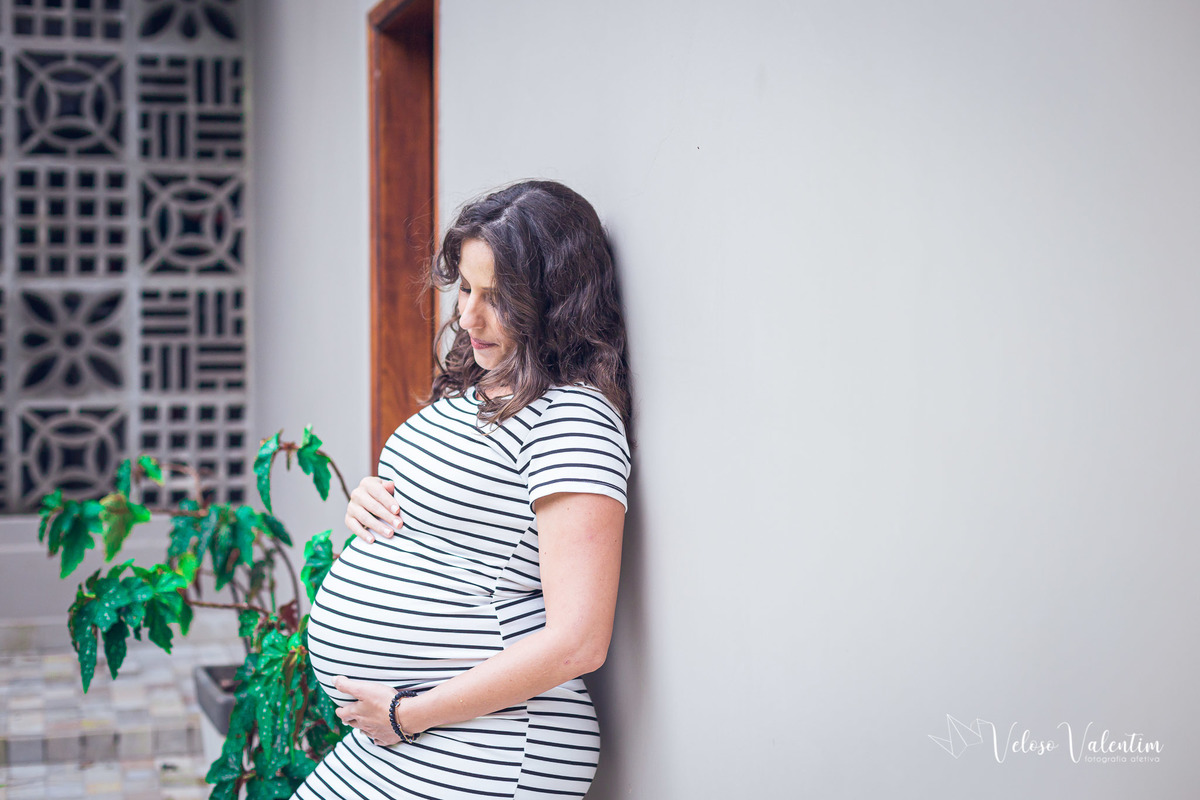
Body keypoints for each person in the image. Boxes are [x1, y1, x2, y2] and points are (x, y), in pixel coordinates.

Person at [292, 180, 634, 799]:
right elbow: (466, 526)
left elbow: (579, 640)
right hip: (424, 735)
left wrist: (408, 714)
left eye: (497, 298)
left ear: (554, 303)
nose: (468, 316)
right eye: (467, 288)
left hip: (491, 744)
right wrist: (372, 499)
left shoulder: (574, 421)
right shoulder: (484, 387)